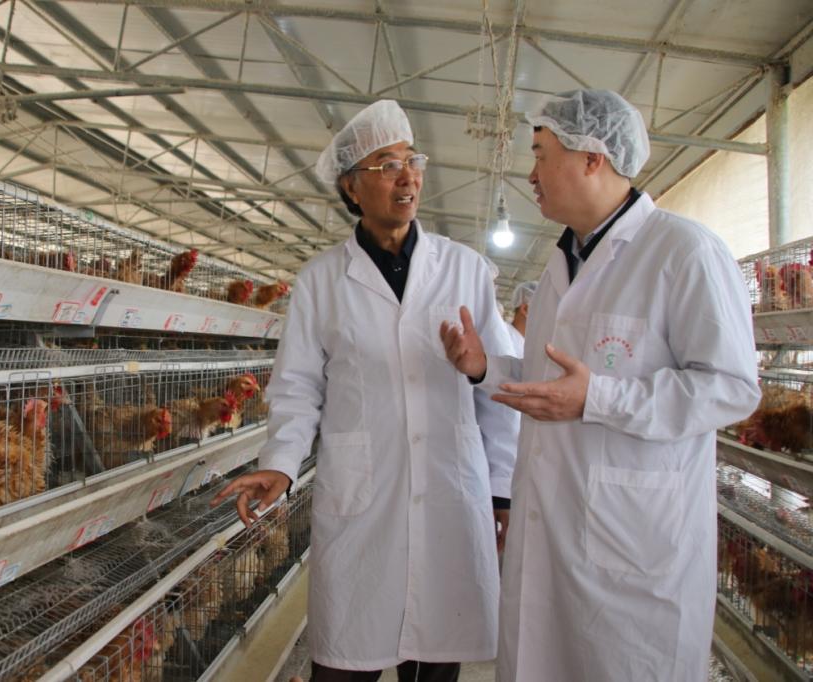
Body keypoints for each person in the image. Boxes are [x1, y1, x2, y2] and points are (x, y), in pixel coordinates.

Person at [439, 89, 760, 682]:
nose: (531, 175)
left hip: (633, 544)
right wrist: (485, 368)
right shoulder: (561, 264)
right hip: (552, 531)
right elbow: (553, 384)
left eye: (541, 155)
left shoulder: (684, 251)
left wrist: (600, 399)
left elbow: (731, 387)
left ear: (592, 158)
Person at [213, 99, 519, 682]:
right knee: (344, 663)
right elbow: (297, 387)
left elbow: (493, 386)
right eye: (387, 165)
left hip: (449, 493)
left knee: (436, 661)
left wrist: (501, 488)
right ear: (352, 188)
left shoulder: (466, 270)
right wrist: (280, 463)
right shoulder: (321, 281)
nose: (407, 178)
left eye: (412, 162)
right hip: (363, 502)